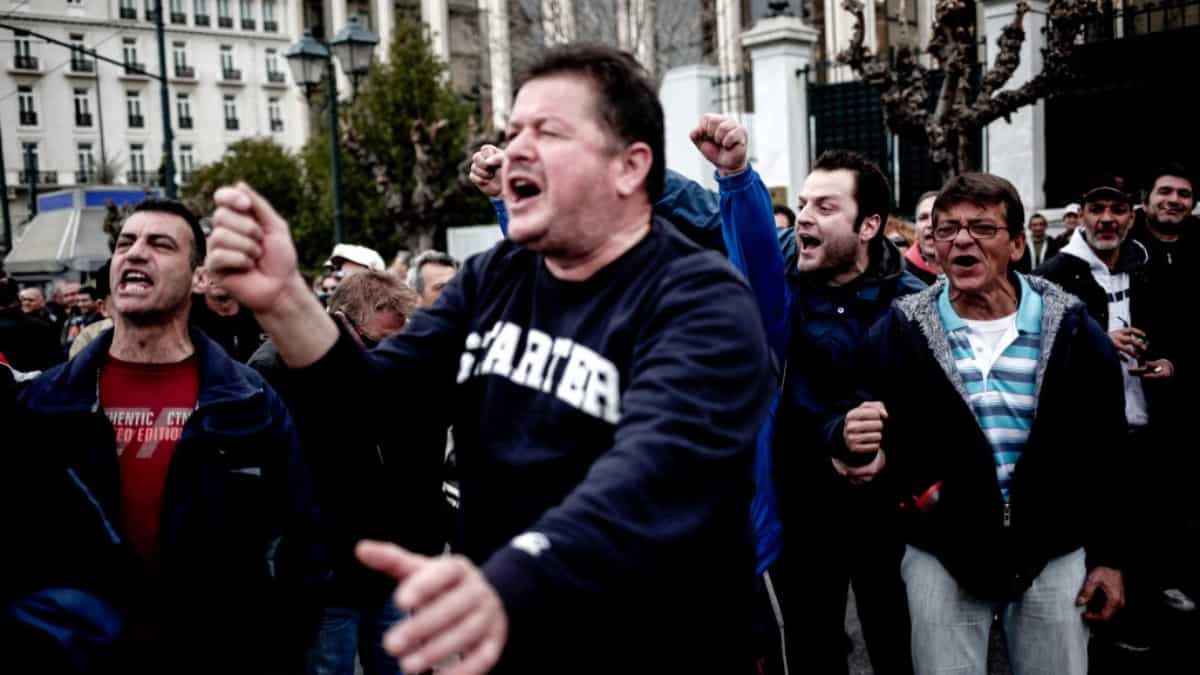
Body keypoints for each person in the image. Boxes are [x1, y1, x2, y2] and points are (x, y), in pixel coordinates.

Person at [206, 44, 772, 675]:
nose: (516, 152)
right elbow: (376, 396)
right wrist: (284, 300)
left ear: (630, 167)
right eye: (514, 132)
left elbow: (644, 480)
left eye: (549, 131)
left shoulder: (703, 298)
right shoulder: (494, 278)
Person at [12, 197, 322, 674]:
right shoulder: (46, 403)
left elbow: (303, 538)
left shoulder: (250, 401)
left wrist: (276, 645)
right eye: (124, 244)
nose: (135, 253)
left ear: (199, 277)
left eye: (160, 244)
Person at [842, 173, 1126, 674]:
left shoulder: (1074, 328)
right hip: (942, 553)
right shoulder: (900, 329)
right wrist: (884, 465)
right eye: (947, 229)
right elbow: (866, 422)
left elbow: (1108, 450)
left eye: (981, 228)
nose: (962, 240)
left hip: (1053, 552)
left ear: (1017, 244)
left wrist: (1109, 557)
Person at [686, 125, 922, 674]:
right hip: (801, 513)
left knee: (898, 645)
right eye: (803, 203)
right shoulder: (777, 283)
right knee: (813, 649)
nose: (806, 216)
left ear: (869, 225)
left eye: (825, 206)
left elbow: (933, 411)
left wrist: (889, 452)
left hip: (890, 516)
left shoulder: (916, 303)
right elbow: (705, 218)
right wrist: (735, 172)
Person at [249, 271, 436, 675]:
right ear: (337, 320)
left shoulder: (397, 368)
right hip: (324, 571)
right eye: (374, 343)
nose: (383, 356)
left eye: (397, 344)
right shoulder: (277, 369)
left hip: (389, 565)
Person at [1034, 173, 1183, 670]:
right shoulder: (1057, 272)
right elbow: (1039, 350)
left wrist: (1167, 363)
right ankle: (1091, 637)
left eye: (1116, 210)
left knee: (1142, 535)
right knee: (1093, 541)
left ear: (1131, 214)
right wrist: (1099, 340)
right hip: (1086, 439)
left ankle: (1134, 629)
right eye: (1097, 209)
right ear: (1083, 213)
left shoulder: (1146, 266)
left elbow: (1175, 332)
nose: (1107, 220)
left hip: (1144, 426)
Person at [189, 264, 266, 362]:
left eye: (224, 272)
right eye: (210, 272)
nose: (215, 278)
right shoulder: (188, 318)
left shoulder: (260, 313)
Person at [0, 278, 64, 376]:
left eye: (30, 300)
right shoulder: (43, 326)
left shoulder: (46, 324)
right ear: (18, 299)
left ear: (43, 301)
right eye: (24, 299)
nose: (26, 303)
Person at [904, 190, 941, 284]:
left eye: (936, 217)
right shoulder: (898, 276)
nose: (930, 224)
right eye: (923, 217)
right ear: (915, 231)